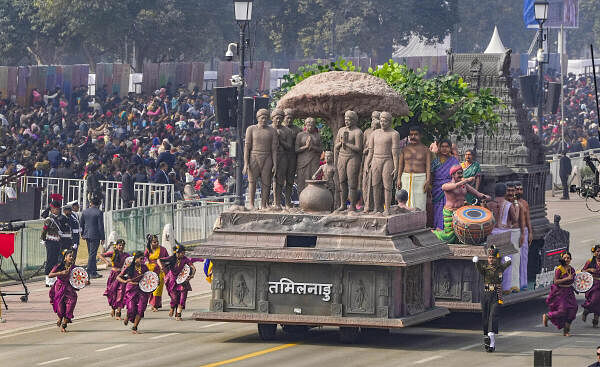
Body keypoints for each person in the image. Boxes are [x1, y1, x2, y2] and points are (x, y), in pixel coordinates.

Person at [433, 165, 490, 243]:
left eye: (462, 173)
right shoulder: (446, 185)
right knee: (449, 237)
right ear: (453, 175)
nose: (461, 175)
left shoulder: (464, 186)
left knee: (460, 235)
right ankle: (434, 234)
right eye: (459, 173)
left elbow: (477, 194)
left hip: (461, 212)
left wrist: (485, 197)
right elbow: (455, 186)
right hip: (450, 212)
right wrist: (466, 180)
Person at [473, 246, 512, 353]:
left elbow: (506, 265)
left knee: (493, 316)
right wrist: (476, 262)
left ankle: (492, 341)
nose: (491, 259)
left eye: (493, 258)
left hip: (496, 295)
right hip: (486, 295)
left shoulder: (500, 268)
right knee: (485, 317)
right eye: (489, 257)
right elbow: (479, 269)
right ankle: (487, 339)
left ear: (496, 258)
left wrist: (509, 261)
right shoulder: (485, 268)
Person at [543, 252, 578, 336]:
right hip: (560, 292)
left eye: (568, 258)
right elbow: (556, 281)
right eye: (565, 258)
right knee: (562, 310)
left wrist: (577, 288)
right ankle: (548, 316)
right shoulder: (559, 269)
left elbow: (574, 280)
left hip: (569, 291)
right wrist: (567, 278)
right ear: (562, 259)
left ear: (570, 259)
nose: (566, 260)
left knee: (573, 310)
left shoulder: (571, 269)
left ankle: (566, 331)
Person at [159, 244, 197, 321]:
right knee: (174, 298)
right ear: (177, 253)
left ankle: (178, 314)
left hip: (182, 280)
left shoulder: (185, 259)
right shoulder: (171, 258)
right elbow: (159, 260)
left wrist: (192, 275)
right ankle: (172, 307)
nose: (183, 254)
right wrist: (162, 267)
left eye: (184, 253)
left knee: (182, 297)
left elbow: (193, 267)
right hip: (172, 280)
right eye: (181, 253)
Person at [397, 126, 431, 211]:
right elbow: (400, 165)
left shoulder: (425, 150)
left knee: (420, 202)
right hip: (405, 178)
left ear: (420, 135)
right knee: (404, 202)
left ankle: (419, 222)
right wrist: (398, 179)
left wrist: (428, 180)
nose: (413, 137)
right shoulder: (405, 149)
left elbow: (428, 166)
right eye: (411, 134)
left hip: (421, 179)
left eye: (416, 134)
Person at [117, 251, 149, 334]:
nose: (142, 260)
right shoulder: (129, 267)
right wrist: (125, 281)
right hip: (131, 289)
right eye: (141, 259)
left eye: (143, 259)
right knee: (131, 308)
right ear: (136, 258)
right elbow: (118, 277)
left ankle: (135, 327)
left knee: (141, 309)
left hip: (142, 289)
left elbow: (149, 277)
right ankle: (128, 315)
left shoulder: (145, 267)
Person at [431, 140, 460, 229]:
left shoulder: (454, 160)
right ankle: (438, 227)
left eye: (447, 147)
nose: (444, 149)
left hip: (450, 187)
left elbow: (458, 174)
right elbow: (431, 173)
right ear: (439, 148)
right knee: (438, 209)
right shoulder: (435, 160)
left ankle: (447, 229)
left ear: (450, 148)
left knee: (448, 208)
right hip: (437, 188)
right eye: (442, 146)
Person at [48, 249, 78, 332]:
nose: (72, 258)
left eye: (73, 256)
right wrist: (60, 273)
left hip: (69, 289)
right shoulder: (59, 266)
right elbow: (50, 275)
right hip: (59, 287)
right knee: (60, 306)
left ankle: (64, 324)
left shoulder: (74, 268)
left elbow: (79, 278)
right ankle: (60, 318)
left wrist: (85, 282)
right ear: (65, 258)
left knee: (70, 304)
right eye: (70, 256)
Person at [99, 239, 130, 319]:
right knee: (112, 293)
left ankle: (118, 312)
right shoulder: (112, 253)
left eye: (122, 245)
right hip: (113, 276)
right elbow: (100, 255)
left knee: (121, 293)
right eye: (119, 245)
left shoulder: (126, 255)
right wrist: (106, 262)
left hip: (122, 275)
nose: (121, 247)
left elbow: (132, 261)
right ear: (116, 246)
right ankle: (113, 308)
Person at [80, 196, 105, 279]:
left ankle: (93, 271)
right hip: (95, 235)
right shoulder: (99, 212)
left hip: (87, 234)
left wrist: (82, 233)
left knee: (91, 253)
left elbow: (81, 223)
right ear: (99, 204)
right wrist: (103, 237)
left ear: (91, 203)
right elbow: (100, 226)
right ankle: (90, 271)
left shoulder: (85, 211)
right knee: (92, 254)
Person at [41, 200, 63, 287]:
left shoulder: (59, 218)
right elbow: (44, 231)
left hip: (57, 241)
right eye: (56, 209)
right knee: (50, 260)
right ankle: (48, 279)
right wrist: (43, 239)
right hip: (50, 241)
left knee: (55, 260)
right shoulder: (49, 219)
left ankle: (53, 278)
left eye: (58, 209)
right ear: (52, 209)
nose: (58, 211)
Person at [144, 234, 169, 311]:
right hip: (150, 271)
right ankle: (152, 303)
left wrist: (163, 265)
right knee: (151, 288)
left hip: (160, 270)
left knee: (158, 289)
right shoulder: (148, 250)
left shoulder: (163, 249)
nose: (156, 243)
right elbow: (144, 258)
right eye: (154, 242)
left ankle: (155, 305)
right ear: (150, 243)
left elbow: (167, 258)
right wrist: (146, 263)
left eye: (157, 241)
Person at [515, 182, 532, 291]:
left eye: (521, 189)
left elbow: (528, 219)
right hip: (514, 231)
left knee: (524, 258)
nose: (520, 191)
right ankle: (514, 284)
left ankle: (523, 283)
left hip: (524, 231)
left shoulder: (525, 203)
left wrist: (530, 232)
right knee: (514, 259)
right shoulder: (511, 203)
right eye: (517, 189)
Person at [582, 245, 600, 328]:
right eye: (597, 251)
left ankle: (595, 320)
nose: (599, 253)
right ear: (594, 252)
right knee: (594, 300)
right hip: (593, 284)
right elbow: (582, 271)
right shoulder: (590, 262)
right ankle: (587, 310)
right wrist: (589, 270)